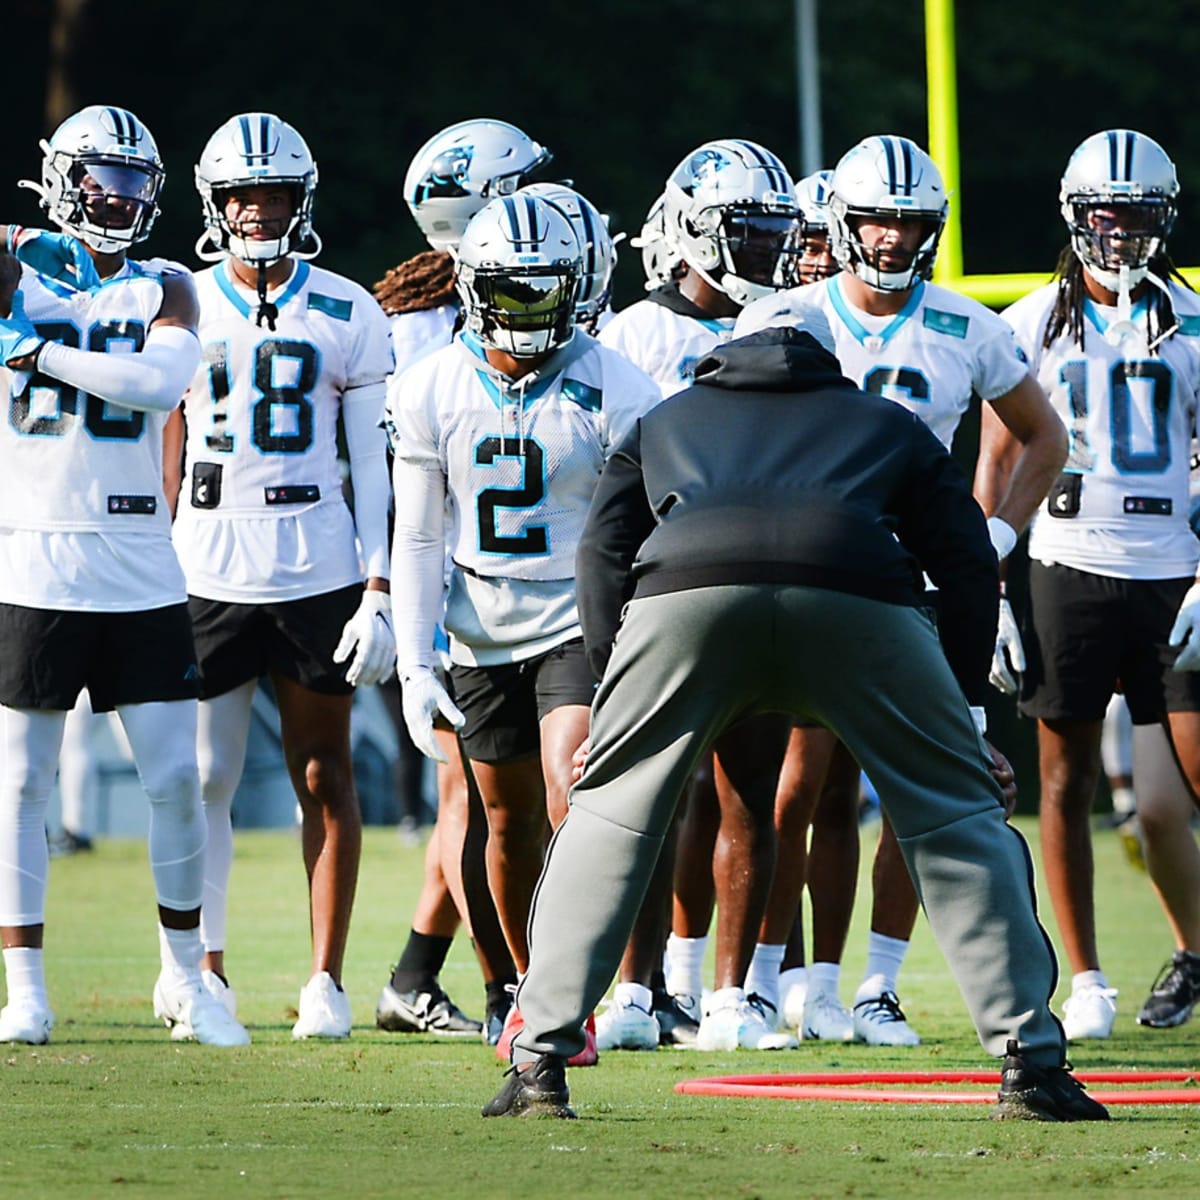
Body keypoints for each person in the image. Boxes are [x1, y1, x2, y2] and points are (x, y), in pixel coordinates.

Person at [481, 309, 1106, 1123]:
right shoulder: (886, 421)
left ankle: (538, 1061)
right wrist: (960, 715)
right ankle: (1031, 1062)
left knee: (609, 815)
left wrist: (612, 693)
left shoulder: (664, 420)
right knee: (956, 816)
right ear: (824, 358)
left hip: (686, 600)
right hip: (855, 595)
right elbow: (964, 556)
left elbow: (602, 552)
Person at [736, 134, 1067, 1045]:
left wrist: (991, 538)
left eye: (908, 221)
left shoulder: (968, 325)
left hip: (917, 585)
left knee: (914, 788)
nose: (889, 239)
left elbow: (1045, 438)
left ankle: (875, 984)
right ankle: (773, 981)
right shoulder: (784, 316)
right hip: (812, 574)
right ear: (841, 222)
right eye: (876, 218)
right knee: (802, 785)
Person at [389, 191, 662, 1065]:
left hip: (576, 618)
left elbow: (649, 519)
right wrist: (414, 653)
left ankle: (598, 987)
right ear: (474, 287)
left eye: (545, 290)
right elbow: (421, 531)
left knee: (569, 787)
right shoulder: (430, 383)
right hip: (478, 623)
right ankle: (526, 990)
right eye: (512, 290)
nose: (529, 309)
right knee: (504, 823)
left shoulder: (616, 382)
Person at [0, 105, 247, 1046]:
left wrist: (33, 348)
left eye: (138, 182)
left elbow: (155, 385)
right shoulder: (21, 259)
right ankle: (25, 990)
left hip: (141, 563)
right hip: (30, 550)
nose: (122, 198)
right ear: (63, 180)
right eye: (104, 179)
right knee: (21, 782)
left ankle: (186, 980)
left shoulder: (169, 283)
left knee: (175, 780)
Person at [167, 112, 395, 1039]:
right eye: (241, 196)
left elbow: (373, 466)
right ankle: (204, 971)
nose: (257, 211)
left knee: (322, 772)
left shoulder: (347, 307)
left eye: (273, 195)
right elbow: (166, 436)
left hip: (314, 559)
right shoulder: (178, 298)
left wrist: (379, 583)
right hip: (208, 559)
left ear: (302, 201)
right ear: (215, 204)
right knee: (203, 774)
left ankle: (325, 981)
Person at [987, 128, 1200, 1038]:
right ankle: (1086, 980)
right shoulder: (1030, 320)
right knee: (1063, 780)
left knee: (1168, 796)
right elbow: (997, 459)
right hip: (1065, 563)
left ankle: (1192, 951)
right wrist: (989, 584)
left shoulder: (1190, 323)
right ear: (1076, 215)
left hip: (1176, 573)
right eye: (1106, 214)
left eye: (1139, 215)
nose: (1120, 233)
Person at [597, 139, 805, 1051]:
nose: (764, 251)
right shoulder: (634, 335)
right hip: (663, 579)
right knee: (654, 794)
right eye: (745, 231)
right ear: (689, 231)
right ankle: (636, 993)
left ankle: (729, 997)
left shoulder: (797, 321)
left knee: (748, 789)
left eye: (773, 232)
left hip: (760, 572)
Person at [373, 119, 554, 1043]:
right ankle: (497, 988)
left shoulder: (509, 298)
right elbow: (398, 475)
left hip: (496, 576)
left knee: (482, 801)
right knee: (473, 801)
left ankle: (418, 975)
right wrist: (380, 595)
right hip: (450, 583)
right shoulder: (418, 330)